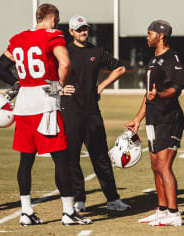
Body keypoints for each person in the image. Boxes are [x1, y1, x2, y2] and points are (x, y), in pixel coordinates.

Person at [0, 3, 91, 226]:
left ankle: (26, 212)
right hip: (45, 102)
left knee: (25, 160)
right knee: (61, 158)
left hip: (23, 105)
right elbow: (64, 63)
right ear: (54, 19)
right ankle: (68, 212)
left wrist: (18, 83)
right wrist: (59, 86)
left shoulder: (18, 38)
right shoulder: (53, 35)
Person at [60, 15, 131, 213]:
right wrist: (59, 89)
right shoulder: (64, 52)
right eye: (79, 29)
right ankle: (79, 199)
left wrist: (100, 87)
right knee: (71, 156)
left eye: (86, 29)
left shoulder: (96, 51)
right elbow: (50, 74)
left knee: (100, 156)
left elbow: (120, 68)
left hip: (92, 112)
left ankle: (113, 199)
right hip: (70, 111)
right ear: (71, 32)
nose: (84, 32)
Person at [125, 20, 184, 226]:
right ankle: (162, 210)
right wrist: (137, 119)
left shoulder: (171, 58)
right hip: (153, 118)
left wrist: (159, 95)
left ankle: (174, 214)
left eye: (149, 33)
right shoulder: (153, 60)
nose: (147, 36)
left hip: (170, 118)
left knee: (164, 165)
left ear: (160, 35)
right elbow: (147, 95)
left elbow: (176, 88)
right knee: (154, 165)